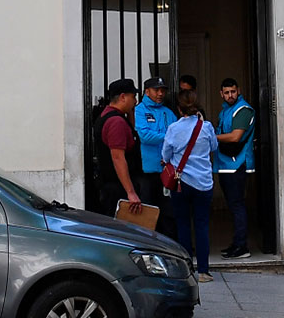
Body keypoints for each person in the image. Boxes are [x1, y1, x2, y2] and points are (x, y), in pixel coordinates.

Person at [161, 90, 219, 282]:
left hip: (181, 182)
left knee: (183, 224)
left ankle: (187, 269)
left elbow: (165, 155)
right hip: (203, 182)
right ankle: (203, 271)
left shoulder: (173, 128)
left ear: (179, 108)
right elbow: (213, 147)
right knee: (202, 226)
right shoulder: (206, 127)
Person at [214, 77, 256, 258]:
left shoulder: (243, 110)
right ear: (221, 94)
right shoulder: (226, 111)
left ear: (238, 90)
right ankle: (236, 244)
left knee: (237, 205)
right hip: (225, 164)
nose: (230, 95)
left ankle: (242, 247)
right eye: (226, 92)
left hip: (237, 164)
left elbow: (235, 137)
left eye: (233, 91)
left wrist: (210, 136)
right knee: (233, 206)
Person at [133, 77, 178, 236]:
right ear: (147, 91)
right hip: (147, 171)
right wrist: (168, 136)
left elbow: (178, 137)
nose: (160, 94)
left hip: (167, 170)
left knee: (169, 211)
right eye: (156, 90)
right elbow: (145, 136)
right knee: (149, 210)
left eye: (162, 90)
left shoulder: (168, 112)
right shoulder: (140, 110)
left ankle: (172, 245)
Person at [92, 78, 143, 216]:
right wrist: (131, 192)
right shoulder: (116, 122)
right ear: (122, 97)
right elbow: (118, 158)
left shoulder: (107, 116)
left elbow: (130, 132)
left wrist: (131, 113)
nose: (135, 101)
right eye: (133, 97)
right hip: (117, 189)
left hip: (111, 185)